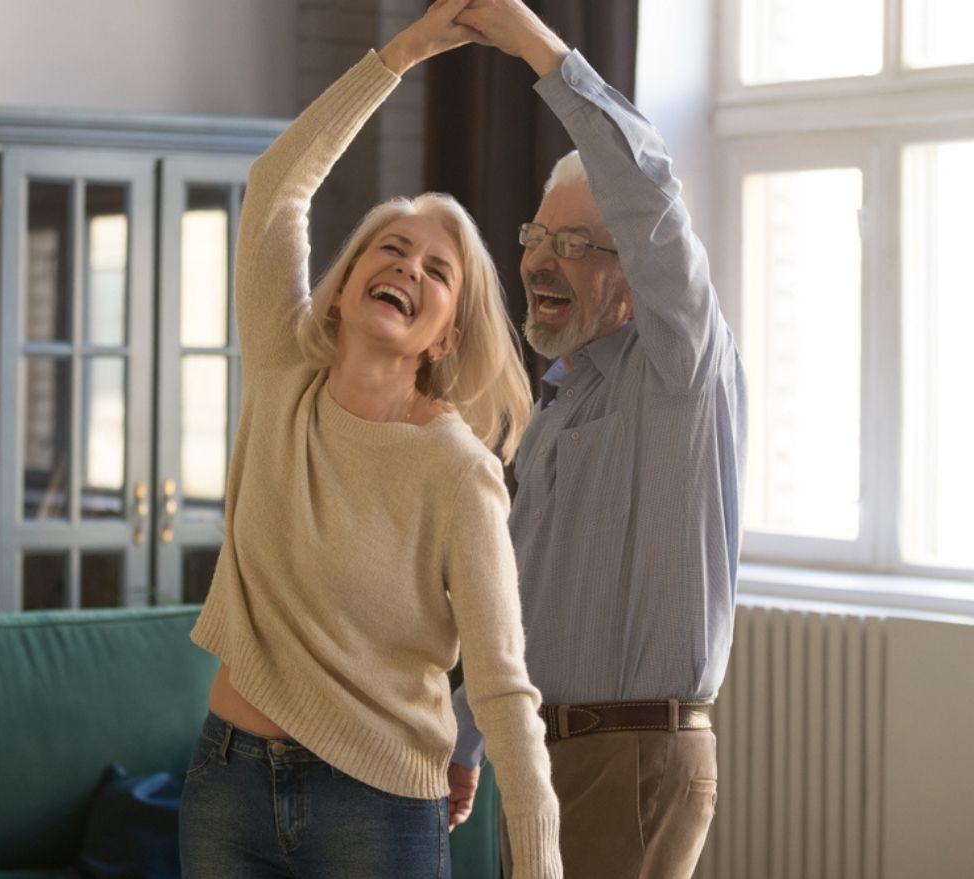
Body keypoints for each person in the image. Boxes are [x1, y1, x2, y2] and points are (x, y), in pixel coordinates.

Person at [178, 2, 562, 877]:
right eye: (390, 250)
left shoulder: (458, 472)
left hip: (379, 809)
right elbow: (278, 186)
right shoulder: (284, 377)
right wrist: (405, 51)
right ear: (342, 286)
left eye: (436, 271)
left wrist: (537, 859)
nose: (407, 270)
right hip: (226, 782)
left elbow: (502, 682)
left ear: (445, 336)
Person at [447, 2, 748, 877]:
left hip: (629, 758)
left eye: (575, 243)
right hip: (544, 759)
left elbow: (646, 191)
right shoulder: (562, 404)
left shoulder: (681, 367)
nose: (540, 260)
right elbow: (526, 602)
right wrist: (467, 732)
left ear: (635, 273)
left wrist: (537, 48)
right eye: (537, 236)